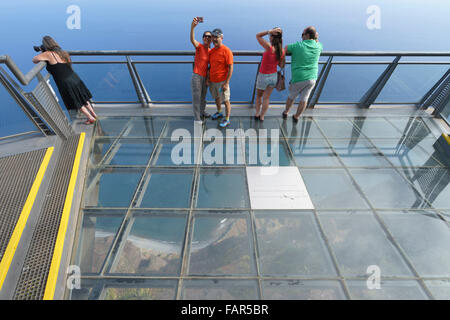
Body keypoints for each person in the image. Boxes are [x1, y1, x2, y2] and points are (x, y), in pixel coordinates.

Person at [32, 36, 97, 124]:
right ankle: (93, 114)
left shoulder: (48, 54)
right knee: (82, 98)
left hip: (65, 82)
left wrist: (42, 50)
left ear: (45, 45)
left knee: (75, 100)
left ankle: (90, 117)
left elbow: (34, 60)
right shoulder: (63, 52)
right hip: (74, 77)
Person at [282, 26, 322, 122]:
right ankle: (296, 116)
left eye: (303, 34)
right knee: (304, 99)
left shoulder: (297, 46)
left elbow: (286, 48)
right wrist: (315, 36)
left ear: (307, 35)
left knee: (292, 96)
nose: (301, 36)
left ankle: (286, 112)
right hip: (312, 78)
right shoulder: (318, 46)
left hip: (299, 78)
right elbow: (317, 41)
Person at [254, 27, 285, 121]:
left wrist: (268, 31)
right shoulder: (282, 51)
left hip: (263, 75)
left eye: (270, 35)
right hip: (273, 76)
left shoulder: (269, 47)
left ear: (272, 37)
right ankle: (262, 116)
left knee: (259, 96)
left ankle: (257, 113)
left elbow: (258, 35)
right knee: (266, 98)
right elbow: (281, 65)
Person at [207, 28, 233, 128]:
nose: (214, 39)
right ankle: (219, 112)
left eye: (216, 37)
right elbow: (210, 66)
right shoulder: (212, 51)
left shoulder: (227, 51)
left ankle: (227, 119)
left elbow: (231, 67)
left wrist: (226, 83)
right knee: (217, 97)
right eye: (213, 37)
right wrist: (208, 78)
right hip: (213, 81)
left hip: (222, 81)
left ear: (221, 38)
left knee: (226, 100)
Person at [190, 17, 212, 123]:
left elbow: (211, 66)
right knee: (197, 97)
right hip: (197, 76)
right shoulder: (199, 47)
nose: (207, 38)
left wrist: (208, 78)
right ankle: (196, 117)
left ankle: (202, 111)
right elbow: (192, 39)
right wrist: (192, 27)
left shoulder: (211, 51)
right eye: (206, 36)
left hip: (205, 77)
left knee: (203, 96)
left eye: (209, 37)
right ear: (203, 38)